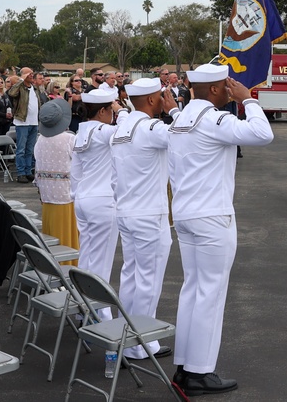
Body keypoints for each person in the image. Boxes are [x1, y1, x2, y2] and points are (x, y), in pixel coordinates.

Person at [168, 63, 274, 396]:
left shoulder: (181, 118)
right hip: (212, 217)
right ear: (214, 90)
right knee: (210, 294)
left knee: (192, 290)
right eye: (226, 86)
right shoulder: (216, 120)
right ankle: (200, 372)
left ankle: (185, 367)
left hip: (185, 214)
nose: (231, 89)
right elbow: (262, 134)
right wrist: (249, 100)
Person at [110, 78, 179, 361]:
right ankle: (141, 344)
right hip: (149, 214)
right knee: (149, 281)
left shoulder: (121, 127)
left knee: (131, 277)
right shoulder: (152, 128)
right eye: (160, 96)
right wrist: (175, 111)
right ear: (151, 101)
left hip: (126, 210)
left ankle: (126, 335)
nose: (164, 99)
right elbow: (186, 134)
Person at [70, 88, 125, 322]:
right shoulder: (104, 131)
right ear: (103, 111)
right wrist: (121, 111)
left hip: (83, 199)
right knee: (101, 262)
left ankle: (84, 306)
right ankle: (101, 316)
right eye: (110, 109)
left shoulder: (80, 132)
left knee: (88, 257)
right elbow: (128, 131)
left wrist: (76, 195)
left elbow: (75, 172)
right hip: (102, 202)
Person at [33, 99, 79, 255]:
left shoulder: (40, 140)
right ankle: (69, 264)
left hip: (47, 196)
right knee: (67, 237)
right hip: (67, 196)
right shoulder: (69, 139)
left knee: (51, 234)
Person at [7, 67, 40, 183]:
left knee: (30, 149)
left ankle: (28, 171)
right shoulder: (20, 87)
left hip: (34, 121)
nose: (32, 75)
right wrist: (21, 80)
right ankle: (21, 172)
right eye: (29, 74)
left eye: (32, 73)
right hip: (22, 122)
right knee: (21, 149)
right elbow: (11, 93)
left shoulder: (34, 88)